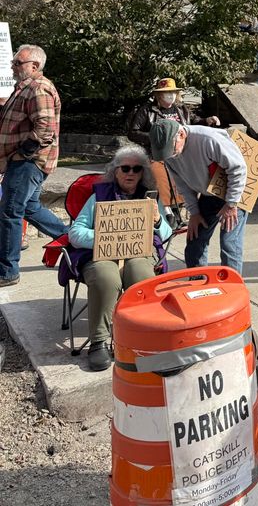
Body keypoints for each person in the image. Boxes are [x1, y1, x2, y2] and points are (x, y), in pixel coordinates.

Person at [68, 145, 172, 371]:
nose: (131, 173)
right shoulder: (99, 197)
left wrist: (156, 221)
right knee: (107, 277)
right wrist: (108, 237)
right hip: (101, 254)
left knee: (142, 275)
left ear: (143, 172)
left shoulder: (150, 199)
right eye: (125, 168)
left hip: (138, 253)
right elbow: (75, 233)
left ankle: (141, 338)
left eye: (137, 169)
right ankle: (98, 342)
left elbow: (165, 234)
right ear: (115, 171)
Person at [0, 44, 67, 287]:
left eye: (17, 63)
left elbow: (45, 129)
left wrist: (20, 155)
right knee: (29, 208)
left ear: (34, 66)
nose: (12, 66)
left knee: (9, 213)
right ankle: (73, 240)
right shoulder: (26, 87)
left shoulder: (38, 88)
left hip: (28, 163)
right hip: (25, 162)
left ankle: (7, 271)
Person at [150, 121, 248, 274]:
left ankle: (232, 288)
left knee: (230, 243)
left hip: (235, 192)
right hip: (209, 194)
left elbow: (238, 168)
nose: (170, 156)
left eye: (172, 150)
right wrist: (194, 212)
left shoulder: (209, 139)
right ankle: (198, 283)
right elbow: (182, 184)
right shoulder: (169, 153)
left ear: (181, 135)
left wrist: (231, 204)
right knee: (194, 241)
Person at [127, 77, 219, 151]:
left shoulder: (181, 108)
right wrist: (157, 137)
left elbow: (194, 120)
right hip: (158, 153)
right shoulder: (147, 110)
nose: (171, 95)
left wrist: (207, 120)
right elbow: (133, 133)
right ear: (159, 95)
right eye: (167, 92)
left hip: (182, 150)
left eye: (173, 92)